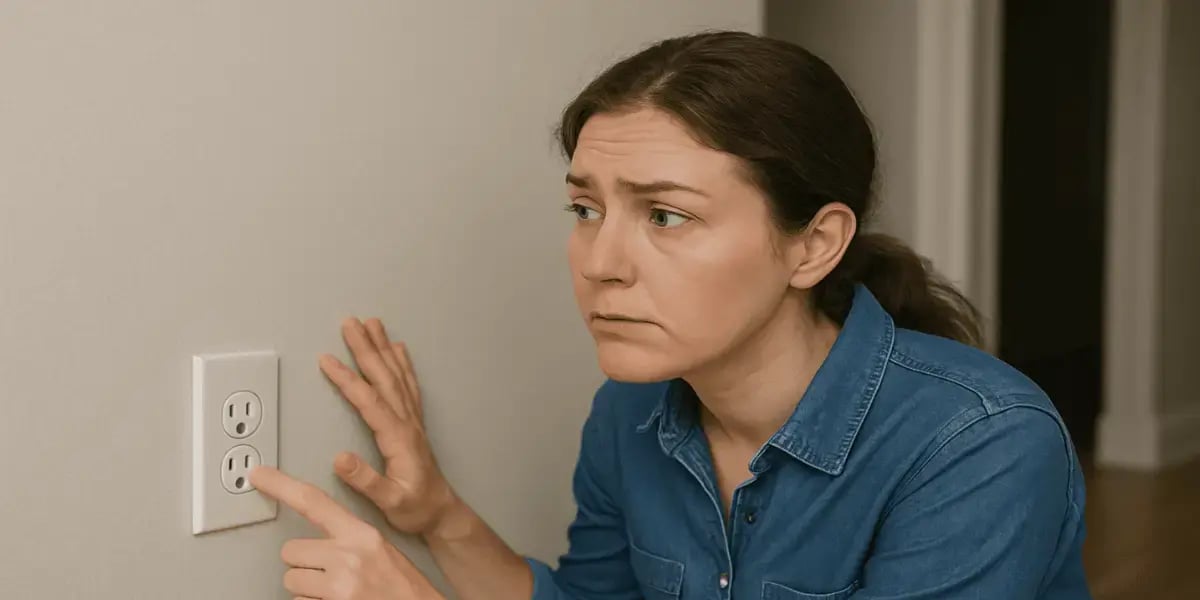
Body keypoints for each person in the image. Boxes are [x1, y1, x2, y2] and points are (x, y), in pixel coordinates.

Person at [249, 30, 1093, 599]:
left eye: (666, 215)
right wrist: (438, 517)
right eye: (587, 210)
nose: (602, 264)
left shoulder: (980, 443)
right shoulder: (632, 411)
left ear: (814, 245)